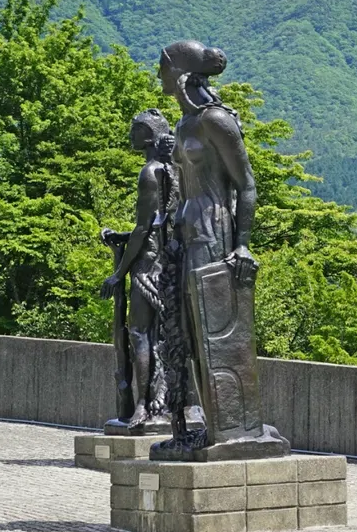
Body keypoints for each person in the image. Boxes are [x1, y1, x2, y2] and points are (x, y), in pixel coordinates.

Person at [156, 40, 287, 458]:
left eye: (162, 68)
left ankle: (236, 429)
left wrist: (244, 245)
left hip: (215, 232)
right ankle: (211, 427)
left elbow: (246, 184)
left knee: (215, 332)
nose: (158, 76)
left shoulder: (215, 120)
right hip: (186, 231)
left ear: (178, 73)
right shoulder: (182, 124)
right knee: (190, 336)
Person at [99, 108, 176, 431]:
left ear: (147, 136)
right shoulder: (175, 170)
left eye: (135, 130)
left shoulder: (150, 172)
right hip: (171, 261)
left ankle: (144, 404)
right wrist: (122, 238)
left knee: (140, 333)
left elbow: (145, 228)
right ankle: (168, 402)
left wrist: (119, 273)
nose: (130, 135)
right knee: (165, 335)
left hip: (149, 264)